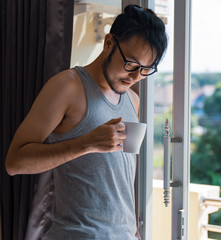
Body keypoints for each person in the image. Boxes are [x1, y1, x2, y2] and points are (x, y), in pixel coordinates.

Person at [5, 4, 167, 239]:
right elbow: (15, 162)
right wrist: (87, 143)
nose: (134, 77)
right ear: (109, 42)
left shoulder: (133, 100)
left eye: (145, 70)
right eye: (131, 64)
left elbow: (121, 175)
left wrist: (132, 228)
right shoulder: (66, 86)